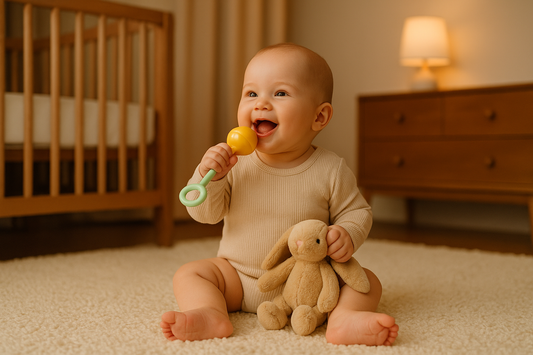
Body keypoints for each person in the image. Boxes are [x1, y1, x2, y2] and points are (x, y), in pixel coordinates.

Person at [160, 43, 399, 346]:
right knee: (190, 273)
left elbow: (357, 212)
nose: (260, 104)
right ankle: (209, 313)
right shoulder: (235, 163)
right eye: (251, 93)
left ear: (319, 117)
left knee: (367, 282)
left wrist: (347, 234)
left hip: (307, 284)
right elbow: (205, 214)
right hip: (237, 278)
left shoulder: (330, 169)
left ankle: (343, 319)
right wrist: (211, 177)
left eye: (280, 93)